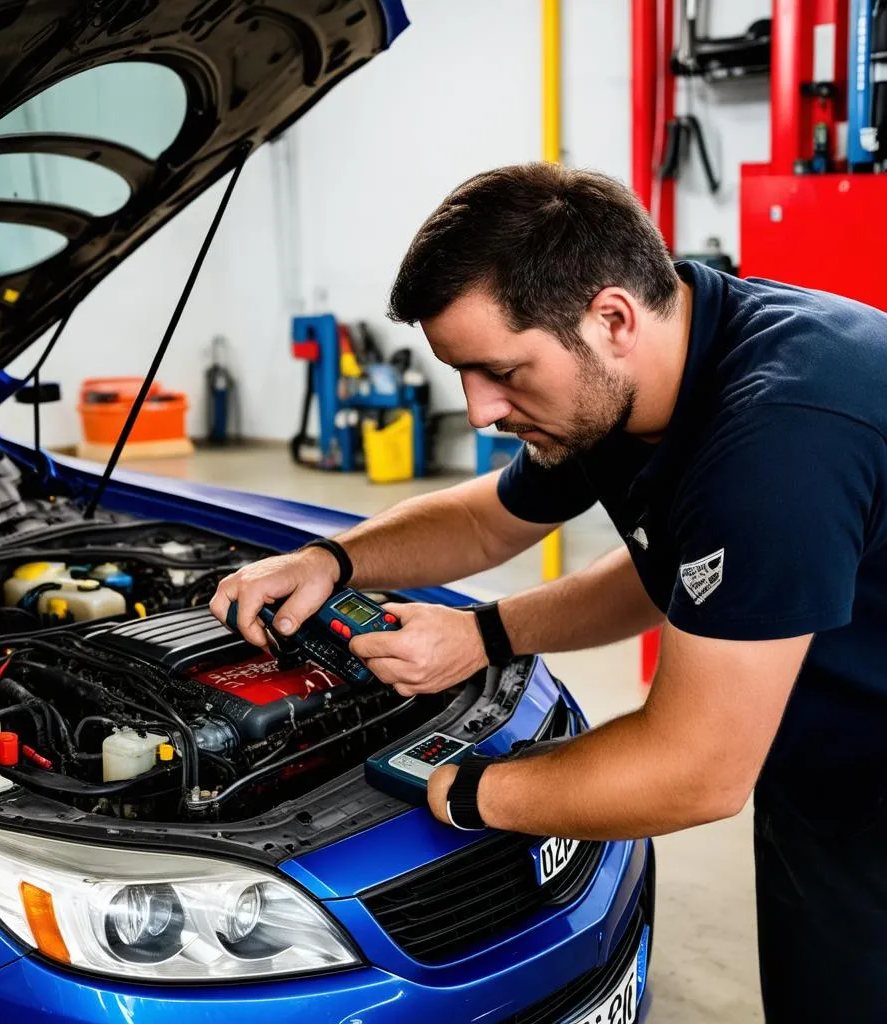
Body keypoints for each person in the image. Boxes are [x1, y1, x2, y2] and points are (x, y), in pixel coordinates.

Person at [211, 163, 887, 1020]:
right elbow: (499, 524)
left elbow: (698, 770)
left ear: (610, 317)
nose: (481, 411)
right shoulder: (645, 371)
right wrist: (335, 563)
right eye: (462, 373)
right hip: (821, 758)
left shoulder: (776, 443)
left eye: (501, 372)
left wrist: (475, 790)